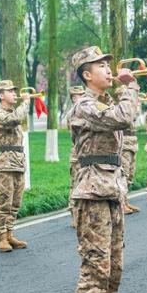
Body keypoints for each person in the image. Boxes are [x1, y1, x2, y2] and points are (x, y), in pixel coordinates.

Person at [70, 45, 138, 293]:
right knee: (95, 263)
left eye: (108, 65)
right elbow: (124, 118)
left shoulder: (102, 103)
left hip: (111, 189)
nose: (109, 70)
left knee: (112, 264)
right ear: (87, 75)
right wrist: (130, 86)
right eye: (101, 66)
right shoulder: (85, 106)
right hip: (92, 192)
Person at [0, 80, 30, 252]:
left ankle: (9, 233)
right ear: (1, 95)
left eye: (15, 91)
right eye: (11, 91)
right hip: (5, 164)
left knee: (15, 202)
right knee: (3, 202)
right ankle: (0, 238)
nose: (15, 94)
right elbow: (16, 119)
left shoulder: (12, 111)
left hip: (17, 162)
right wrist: (26, 102)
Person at [116, 86, 140, 214]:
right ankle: (121, 203)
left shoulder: (130, 108)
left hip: (132, 142)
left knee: (130, 174)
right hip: (124, 142)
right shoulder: (121, 109)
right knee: (123, 174)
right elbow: (132, 117)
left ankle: (126, 200)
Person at [67, 85, 86, 228]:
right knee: (76, 185)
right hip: (77, 155)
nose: (80, 98)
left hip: (87, 155)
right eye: (77, 96)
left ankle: (84, 214)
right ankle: (75, 214)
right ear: (73, 98)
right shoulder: (73, 114)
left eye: (81, 95)